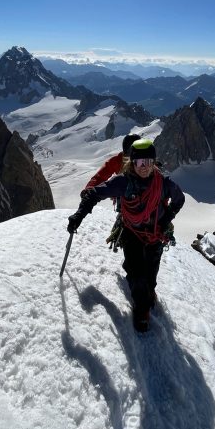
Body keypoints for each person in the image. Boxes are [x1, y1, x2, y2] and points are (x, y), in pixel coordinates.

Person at [67, 139, 185, 332]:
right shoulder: (124, 183)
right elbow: (95, 193)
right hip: (133, 233)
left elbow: (179, 199)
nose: (144, 167)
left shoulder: (163, 183)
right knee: (137, 274)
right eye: (139, 163)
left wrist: (166, 219)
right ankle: (142, 311)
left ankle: (149, 291)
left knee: (151, 275)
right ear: (132, 163)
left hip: (155, 234)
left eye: (148, 162)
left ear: (154, 162)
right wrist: (79, 215)